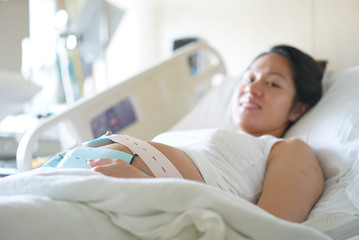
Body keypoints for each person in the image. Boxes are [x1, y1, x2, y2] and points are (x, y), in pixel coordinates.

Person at [65, 45, 325, 223]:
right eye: (249, 78)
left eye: (271, 83)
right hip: (71, 172)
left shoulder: (289, 149)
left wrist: (149, 191)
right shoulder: (198, 132)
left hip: (127, 202)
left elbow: (270, 228)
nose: (252, 88)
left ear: (298, 108)